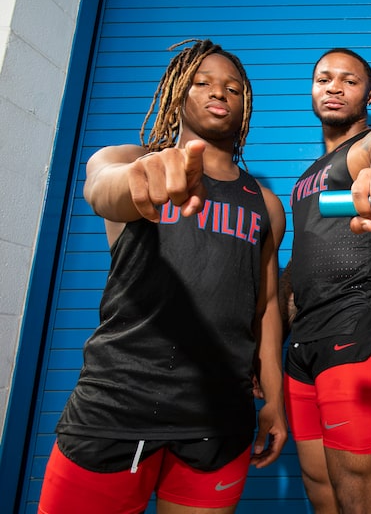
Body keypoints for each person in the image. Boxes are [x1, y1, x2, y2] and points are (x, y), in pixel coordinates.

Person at [39, 39, 287, 514]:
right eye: (203, 82)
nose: (220, 93)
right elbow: (102, 188)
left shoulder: (265, 205)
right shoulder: (129, 159)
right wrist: (139, 178)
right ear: (177, 93)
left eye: (233, 88)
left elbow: (267, 307)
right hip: (116, 407)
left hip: (219, 417)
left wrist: (273, 400)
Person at [280, 47, 371, 514]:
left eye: (348, 80)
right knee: (320, 489)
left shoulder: (364, 148)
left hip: (359, 329)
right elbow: (301, 258)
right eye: (324, 79)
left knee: (359, 497)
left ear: (369, 94)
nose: (334, 88)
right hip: (303, 343)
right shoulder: (305, 178)